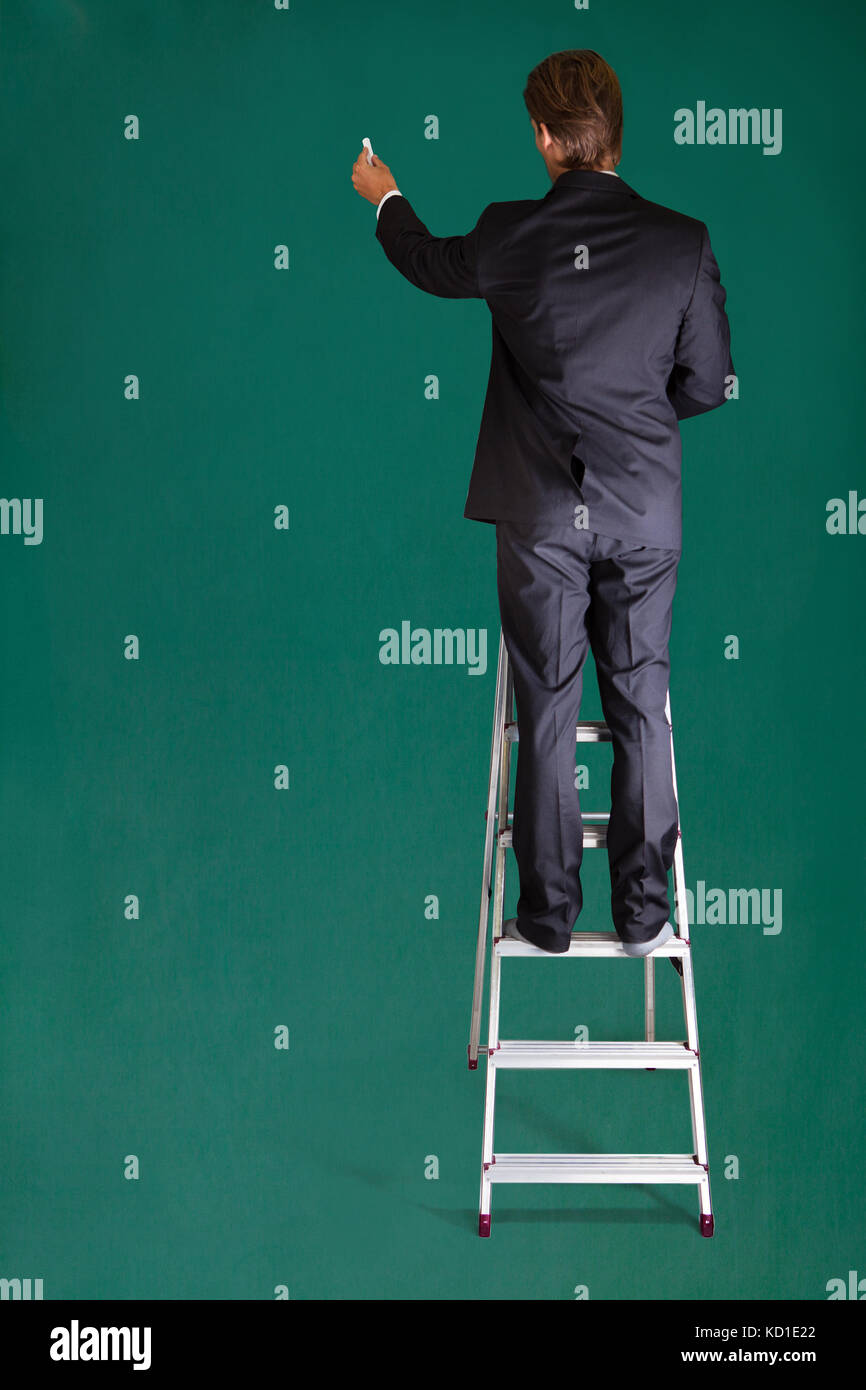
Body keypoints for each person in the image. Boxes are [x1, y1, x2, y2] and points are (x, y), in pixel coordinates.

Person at [351, 49, 734, 957]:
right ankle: (645, 913)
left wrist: (384, 195)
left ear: (545, 138)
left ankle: (549, 916)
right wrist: (638, 420)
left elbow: (428, 262)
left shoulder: (513, 234)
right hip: (643, 513)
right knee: (642, 705)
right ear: (613, 133)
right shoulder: (683, 242)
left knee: (549, 704)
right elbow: (710, 383)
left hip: (542, 518)